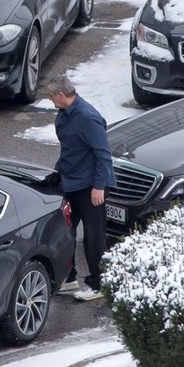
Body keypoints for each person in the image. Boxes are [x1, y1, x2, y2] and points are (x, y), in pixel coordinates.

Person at [45, 76, 116, 302]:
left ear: (62, 95)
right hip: (71, 182)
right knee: (65, 232)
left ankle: (99, 284)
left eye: (51, 95)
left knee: (93, 237)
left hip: (89, 187)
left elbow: (103, 154)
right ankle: (69, 277)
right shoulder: (64, 114)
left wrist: (99, 187)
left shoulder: (87, 117)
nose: (49, 99)